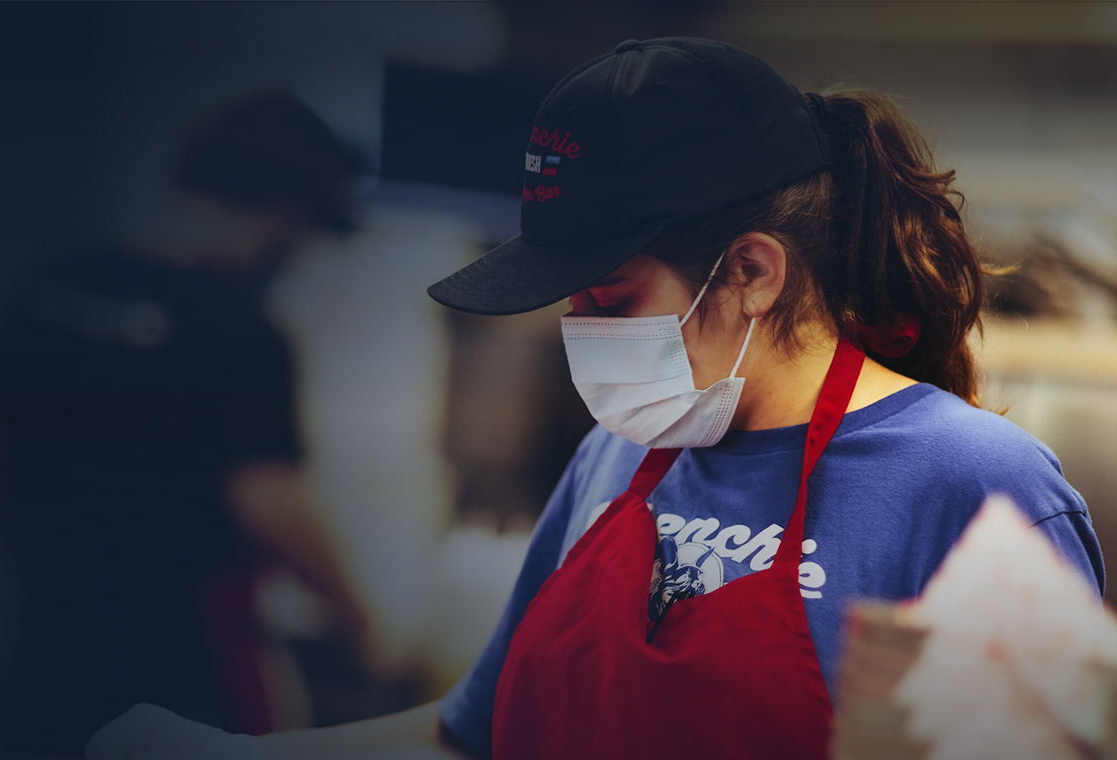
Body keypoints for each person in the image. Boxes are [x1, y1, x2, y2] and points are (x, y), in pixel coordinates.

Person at [84, 37, 1106, 760]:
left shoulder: (975, 489)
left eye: (611, 296)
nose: (585, 330)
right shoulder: (616, 459)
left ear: (752, 271)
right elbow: (469, 734)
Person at [0, 93, 370, 756]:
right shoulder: (239, 330)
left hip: (38, 641)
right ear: (284, 212)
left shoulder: (60, 280)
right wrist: (355, 618)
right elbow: (265, 500)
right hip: (169, 664)